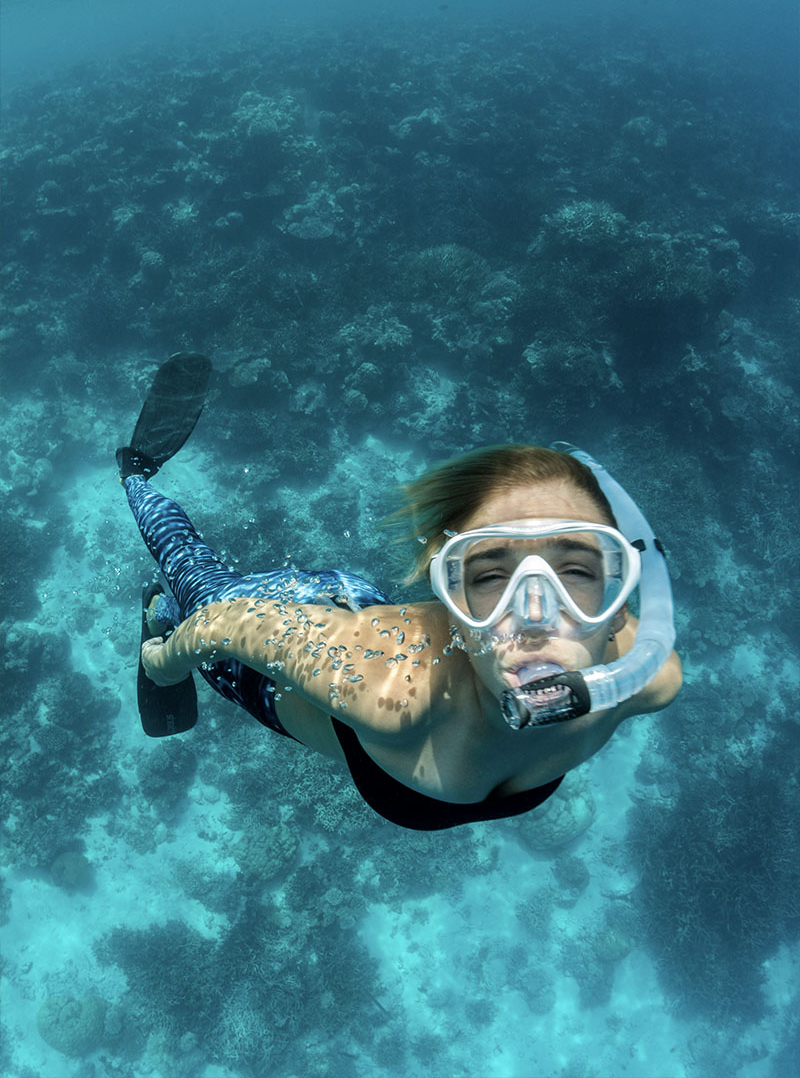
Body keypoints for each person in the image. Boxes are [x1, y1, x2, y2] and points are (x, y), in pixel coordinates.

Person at [120, 355, 682, 831]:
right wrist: (163, 664)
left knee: (198, 600)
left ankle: (160, 607)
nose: (535, 615)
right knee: (197, 584)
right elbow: (224, 625)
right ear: (450, 602)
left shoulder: (647, 675)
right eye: (489, 575)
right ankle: (136, 475)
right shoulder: (392, 691)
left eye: (576, 572)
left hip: (356, 610)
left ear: (620, 603)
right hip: (302, 635)